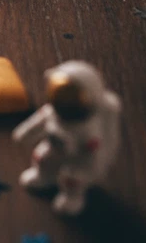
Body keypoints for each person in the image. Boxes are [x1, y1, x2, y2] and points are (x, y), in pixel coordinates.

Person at [13, 61, 121, 215]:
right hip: (53, 147)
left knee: (71, 178)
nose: (66, 103)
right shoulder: (53, 112)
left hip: (78, 159)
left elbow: (92, 147)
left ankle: (72, 198)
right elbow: (38, 122)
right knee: (42, 158)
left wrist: (91, 164)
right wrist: (25, 133)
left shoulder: (87, 127)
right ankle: (43, 177)